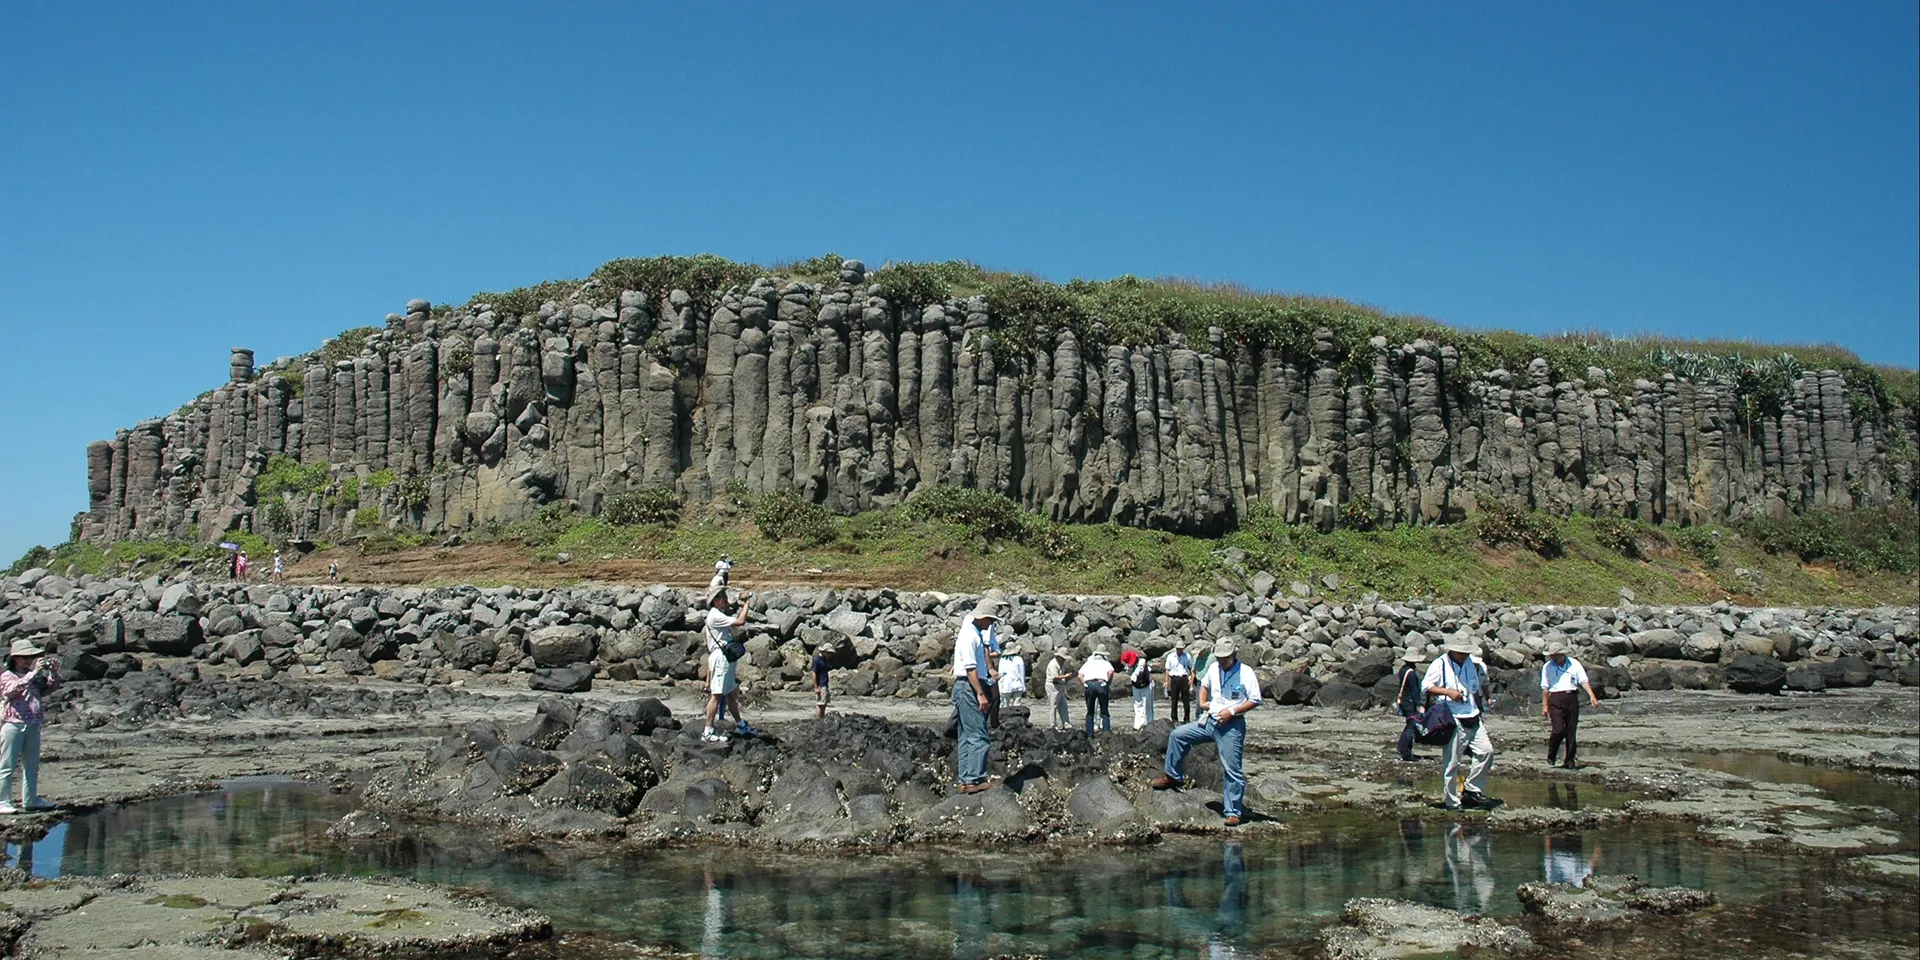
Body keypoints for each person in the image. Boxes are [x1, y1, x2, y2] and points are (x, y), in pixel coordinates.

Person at [1152, 639, 1262, 826]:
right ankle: (1172, 777)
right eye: (1218, 657)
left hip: (1232, 725)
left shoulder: (1246, 672)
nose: (1221, 661)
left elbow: (1255, 699)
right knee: (1177, 735)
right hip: (1210, 721)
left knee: (1232, 768)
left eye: (1224, 658)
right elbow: (1204, 686)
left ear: (1233, 655)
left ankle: (1233, 811)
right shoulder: (1213, 668)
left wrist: (1232, 711)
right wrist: (1202, 703)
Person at [1425, 639, 1498, 811]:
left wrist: (1480, 707)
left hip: (1472, 715)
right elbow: (1427, 686)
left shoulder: (1471, 663)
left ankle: (1472, 789)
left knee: (1486, 751)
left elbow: (1474, 688)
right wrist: (1448, 692)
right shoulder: (1440, 664)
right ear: (1452, 651)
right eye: (1461, 653)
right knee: (1452, 762)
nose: (1464, 656)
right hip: (1453, 716)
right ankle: (1452, 801)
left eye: (1466, 653)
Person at [0, 638, 61, 813]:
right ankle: (3, 802)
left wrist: (53, 672)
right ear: (15, 659)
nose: (28, 660)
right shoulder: (7, 676)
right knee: (7, 765)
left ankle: (30, 799)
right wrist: (33, 673)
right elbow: (10, 691)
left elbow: (50, 689)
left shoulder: (33, 676)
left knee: (32, 765)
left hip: (33, 724)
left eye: (31, 657)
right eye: (24, 657)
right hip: (13, 725)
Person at [951, 598, 1002, 793]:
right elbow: (970, 668)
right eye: (989, 619)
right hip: (970, 686)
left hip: (966, 685)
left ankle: (966, 779)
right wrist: (981, 693)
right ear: (982, 618)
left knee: (965, 734)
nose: (990, 623)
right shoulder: (970, 636)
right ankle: (974, 778)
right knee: (978, 735)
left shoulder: (971, 632)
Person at [702, 588, 756, 742]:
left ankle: (740, 724)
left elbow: (733, 610)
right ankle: (708, 731)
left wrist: (740, 600)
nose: (726, 600)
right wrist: (746, 603)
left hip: (725, 657)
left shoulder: (717, 614)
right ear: (716, 600)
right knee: (716, 696)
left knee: (731, 694)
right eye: (723, 597)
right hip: (721, 658)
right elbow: (740, 621)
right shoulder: (715, 615)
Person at [1540, 642, 1600, 769]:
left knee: (1571, 730)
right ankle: (1552, 754)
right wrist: (1545, 706)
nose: (1553, 658)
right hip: (1555, 698)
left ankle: (1570, 759)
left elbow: (1583, 680)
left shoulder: (1574, 664)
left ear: (1562, 654)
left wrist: (1592, 695)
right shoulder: (1547, 667)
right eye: (1551, 656)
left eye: (1555, 655)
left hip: (1571, 696)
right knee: (1558, 730)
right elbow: (1545, 688)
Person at [1393, 648, 1427, 762]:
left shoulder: (1403, 669)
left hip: (1403, 701)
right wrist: (1419, 704)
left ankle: (1402, 748)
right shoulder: (1411, 673)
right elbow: (1414, 690)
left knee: (1409, 725)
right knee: (1411, 727)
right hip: (1410, 703)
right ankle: (1405, 751)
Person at [1078, 647, 1115, 735]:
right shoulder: (1106, 663)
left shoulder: (1088, 663)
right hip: (1101, 684)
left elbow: (1080, 675)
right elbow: (1111, 672)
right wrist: (1108, 682)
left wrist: (1084, 684)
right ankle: (1106, 733)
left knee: (1090, 711)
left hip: (1090, 684)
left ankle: (1090, 734)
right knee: (1104, 711)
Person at [1163, 641, 1194, 724]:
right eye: (1178, 649)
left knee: (1186, 699)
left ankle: (1186, 718)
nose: (1179, 650)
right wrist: (1166, 681)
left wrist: (1191, 680)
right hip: (1174, 678)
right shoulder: (1170, 656)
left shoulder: (1187, 656)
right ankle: (1174, 718)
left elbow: (1191, 668)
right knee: (1174, 699)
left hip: (1184, 677)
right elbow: (1167, 669)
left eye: (1181, 649)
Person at [1124, 648, 1155, 729]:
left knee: (1147, 705)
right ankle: (1138, 724)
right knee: (1137, 705)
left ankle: (1149, 723)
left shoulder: (1142, 661)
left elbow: (1139, 669)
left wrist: (1134, 675)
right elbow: (1129, 672)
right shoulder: (1129, 665)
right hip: (1136, 686)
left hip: (1147, 686)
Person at [1045, 647, 1073, 730]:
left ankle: (1066, 724)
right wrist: (1066, 676)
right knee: (1053, 706)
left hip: (1060, 685)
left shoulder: (1061, 663)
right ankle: (1052, 725)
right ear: (1059, 657)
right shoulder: (1053, 664)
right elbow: (1055, 677)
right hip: (1053, 686)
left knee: (1063, 705)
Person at [998, 642, 1027, 708]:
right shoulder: (1019, 659)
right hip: (1018, 683)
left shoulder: (1002, 659)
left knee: (1004, 705)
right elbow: (1022, 673)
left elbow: (1000, 674)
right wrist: (1023, 686)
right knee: (1017, 705)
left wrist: (1000, 686)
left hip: (1006, 684)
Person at [811, 642, 832, 720]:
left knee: (824, 704)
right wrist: (816, 687)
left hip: (825, 684)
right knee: (820, 704)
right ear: (824, 652)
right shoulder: (818, 660)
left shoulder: (824, 660)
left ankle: (821, 719)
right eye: (829, 653)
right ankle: (818, 720)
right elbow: (813, 673)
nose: (830, 655)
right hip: (821, 685)